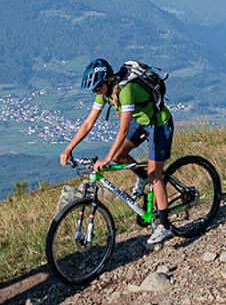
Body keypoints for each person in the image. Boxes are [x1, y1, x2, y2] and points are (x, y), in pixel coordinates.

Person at [60, 58, 175, 247]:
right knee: (120, 157)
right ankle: (143, 177)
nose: (95, 91)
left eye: (97, 87)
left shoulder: (125, 91)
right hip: (141, 122)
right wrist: (69, 149)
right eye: (93, 89)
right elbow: (88, 123)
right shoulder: (104, 93)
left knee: (155, 174)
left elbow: (123, 130)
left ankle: (165, 226)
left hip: (158, 123)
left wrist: (107, 158)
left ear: (107, 81)